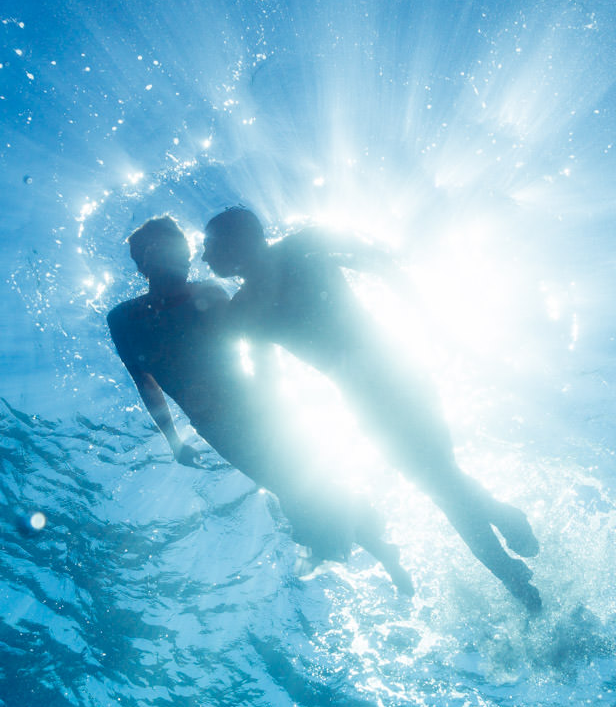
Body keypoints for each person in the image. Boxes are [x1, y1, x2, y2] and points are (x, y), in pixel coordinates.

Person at [201, 207, 543, 612]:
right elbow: (267, 377)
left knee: (441, 482)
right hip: (373, 391)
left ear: (239, 239)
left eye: (210, 247)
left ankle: (508, 561)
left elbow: (381, 263)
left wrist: (432, 325)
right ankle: (505, 536)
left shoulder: (299, 251)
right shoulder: (250, 303)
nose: (204, 259)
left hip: (392, 375)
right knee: (441, 482)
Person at [106, 215, 413, 595]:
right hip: (217, 425)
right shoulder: (122, 319)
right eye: (178, 247)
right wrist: (173, 441)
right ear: (145, 260)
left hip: (258, 407)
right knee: (290, 487)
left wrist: (275, 397)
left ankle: (375, 548)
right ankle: (371, 545)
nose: (189, 256)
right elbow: (145, 382)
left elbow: (258, 342)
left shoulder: (211, 293)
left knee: (302, 484)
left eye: (186, 248)